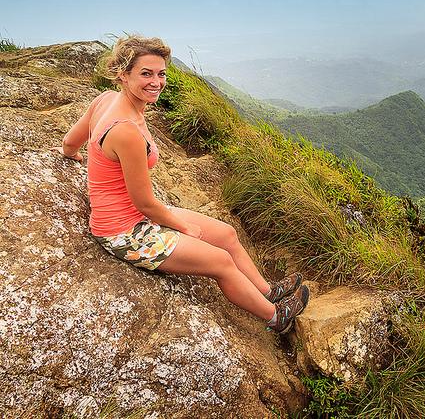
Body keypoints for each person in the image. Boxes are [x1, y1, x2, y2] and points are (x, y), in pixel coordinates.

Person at [54, 34, 309, 334]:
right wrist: (186, 229)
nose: (156, 81)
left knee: (226, 234)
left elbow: (70, 142)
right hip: (125, 231)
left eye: (161, 73)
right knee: (220, 262)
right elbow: (145, 203)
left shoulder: (106, 100)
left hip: (140, 216)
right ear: (123, 74)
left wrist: (73, 156)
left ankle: (266, 290)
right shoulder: (126, 131)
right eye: (145, 73)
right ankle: (276, 317)